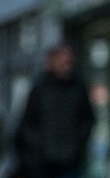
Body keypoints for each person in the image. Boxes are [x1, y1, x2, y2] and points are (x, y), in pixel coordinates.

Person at [15, 43, 94, 178]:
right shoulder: (40, 89)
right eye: (62, 60)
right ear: (52, 62)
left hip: (70, 160)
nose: (66, 64)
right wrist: (39, 146)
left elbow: (87, 119)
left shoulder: (78, 87)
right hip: (43, 162)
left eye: (68, 60)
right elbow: (27, 123)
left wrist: (76, 144)